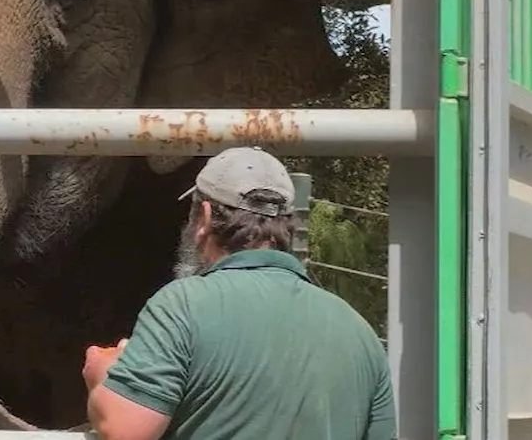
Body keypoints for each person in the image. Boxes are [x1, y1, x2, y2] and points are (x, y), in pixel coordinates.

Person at [82, 146, 396, 440]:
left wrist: (102, 374)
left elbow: (125, 429)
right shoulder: (359, 333)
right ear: (288, 225)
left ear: (203, 218)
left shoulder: (182, 306)